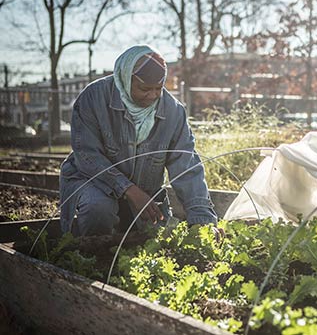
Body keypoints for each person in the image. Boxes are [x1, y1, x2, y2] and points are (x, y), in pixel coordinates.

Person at [59, 44, 218, 236]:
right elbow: (87, 156)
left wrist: (203, 221)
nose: (152, 96)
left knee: (157, 237)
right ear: (126, 79)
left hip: (146, 192)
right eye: (144, 89)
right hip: (94, 183)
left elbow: (187, 167)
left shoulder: (173, 112)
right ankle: (92, 255)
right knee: (98, 209)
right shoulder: (94, 97)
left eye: (158, 89)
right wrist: (129, 190)